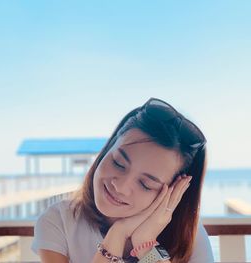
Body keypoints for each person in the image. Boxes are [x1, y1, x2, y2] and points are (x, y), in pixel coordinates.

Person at [32, 98, 214, 263]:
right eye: (118, 163)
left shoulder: (189, 235)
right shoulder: (59, 221)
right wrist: (117, 235)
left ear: (175, 191)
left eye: (145, 184)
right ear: (106, 150)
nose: (121, 187)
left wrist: (146, 244)